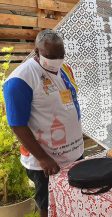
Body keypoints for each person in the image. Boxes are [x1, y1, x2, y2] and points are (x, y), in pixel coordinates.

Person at [3, 29, 84, 217]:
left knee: (73, 204)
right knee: (50, 207)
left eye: (60, 55)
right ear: (37, 52)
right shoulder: (19, 80)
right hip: (47, 164)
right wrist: (43, 158)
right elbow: (17, 124)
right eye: (51, 56)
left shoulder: (64, 69)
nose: (57, 60)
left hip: (74, 155)